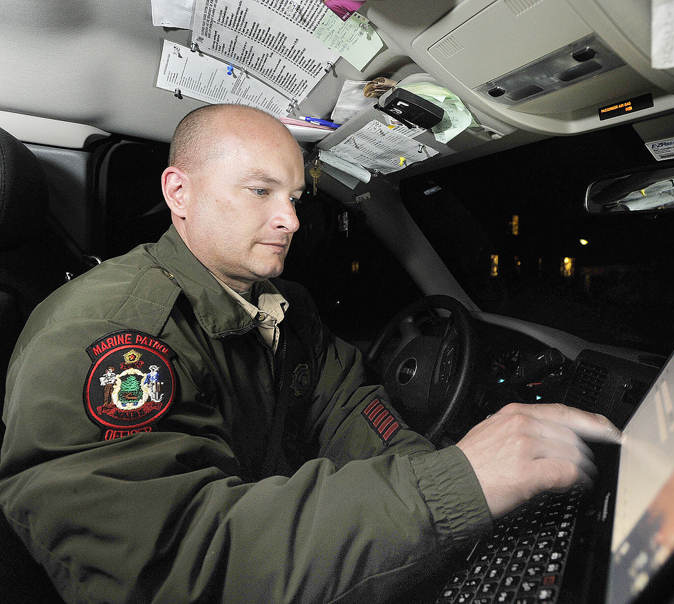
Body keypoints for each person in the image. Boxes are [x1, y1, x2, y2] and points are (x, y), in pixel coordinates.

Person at [0, 104, 621, 603]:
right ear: (179, 192)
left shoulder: (282, 305)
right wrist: (451, 490)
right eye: (261, 191)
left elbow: (346, 404)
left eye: (294, 197)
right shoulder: (111, 337)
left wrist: (430, 478)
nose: (290, 221)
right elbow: (172, 566)